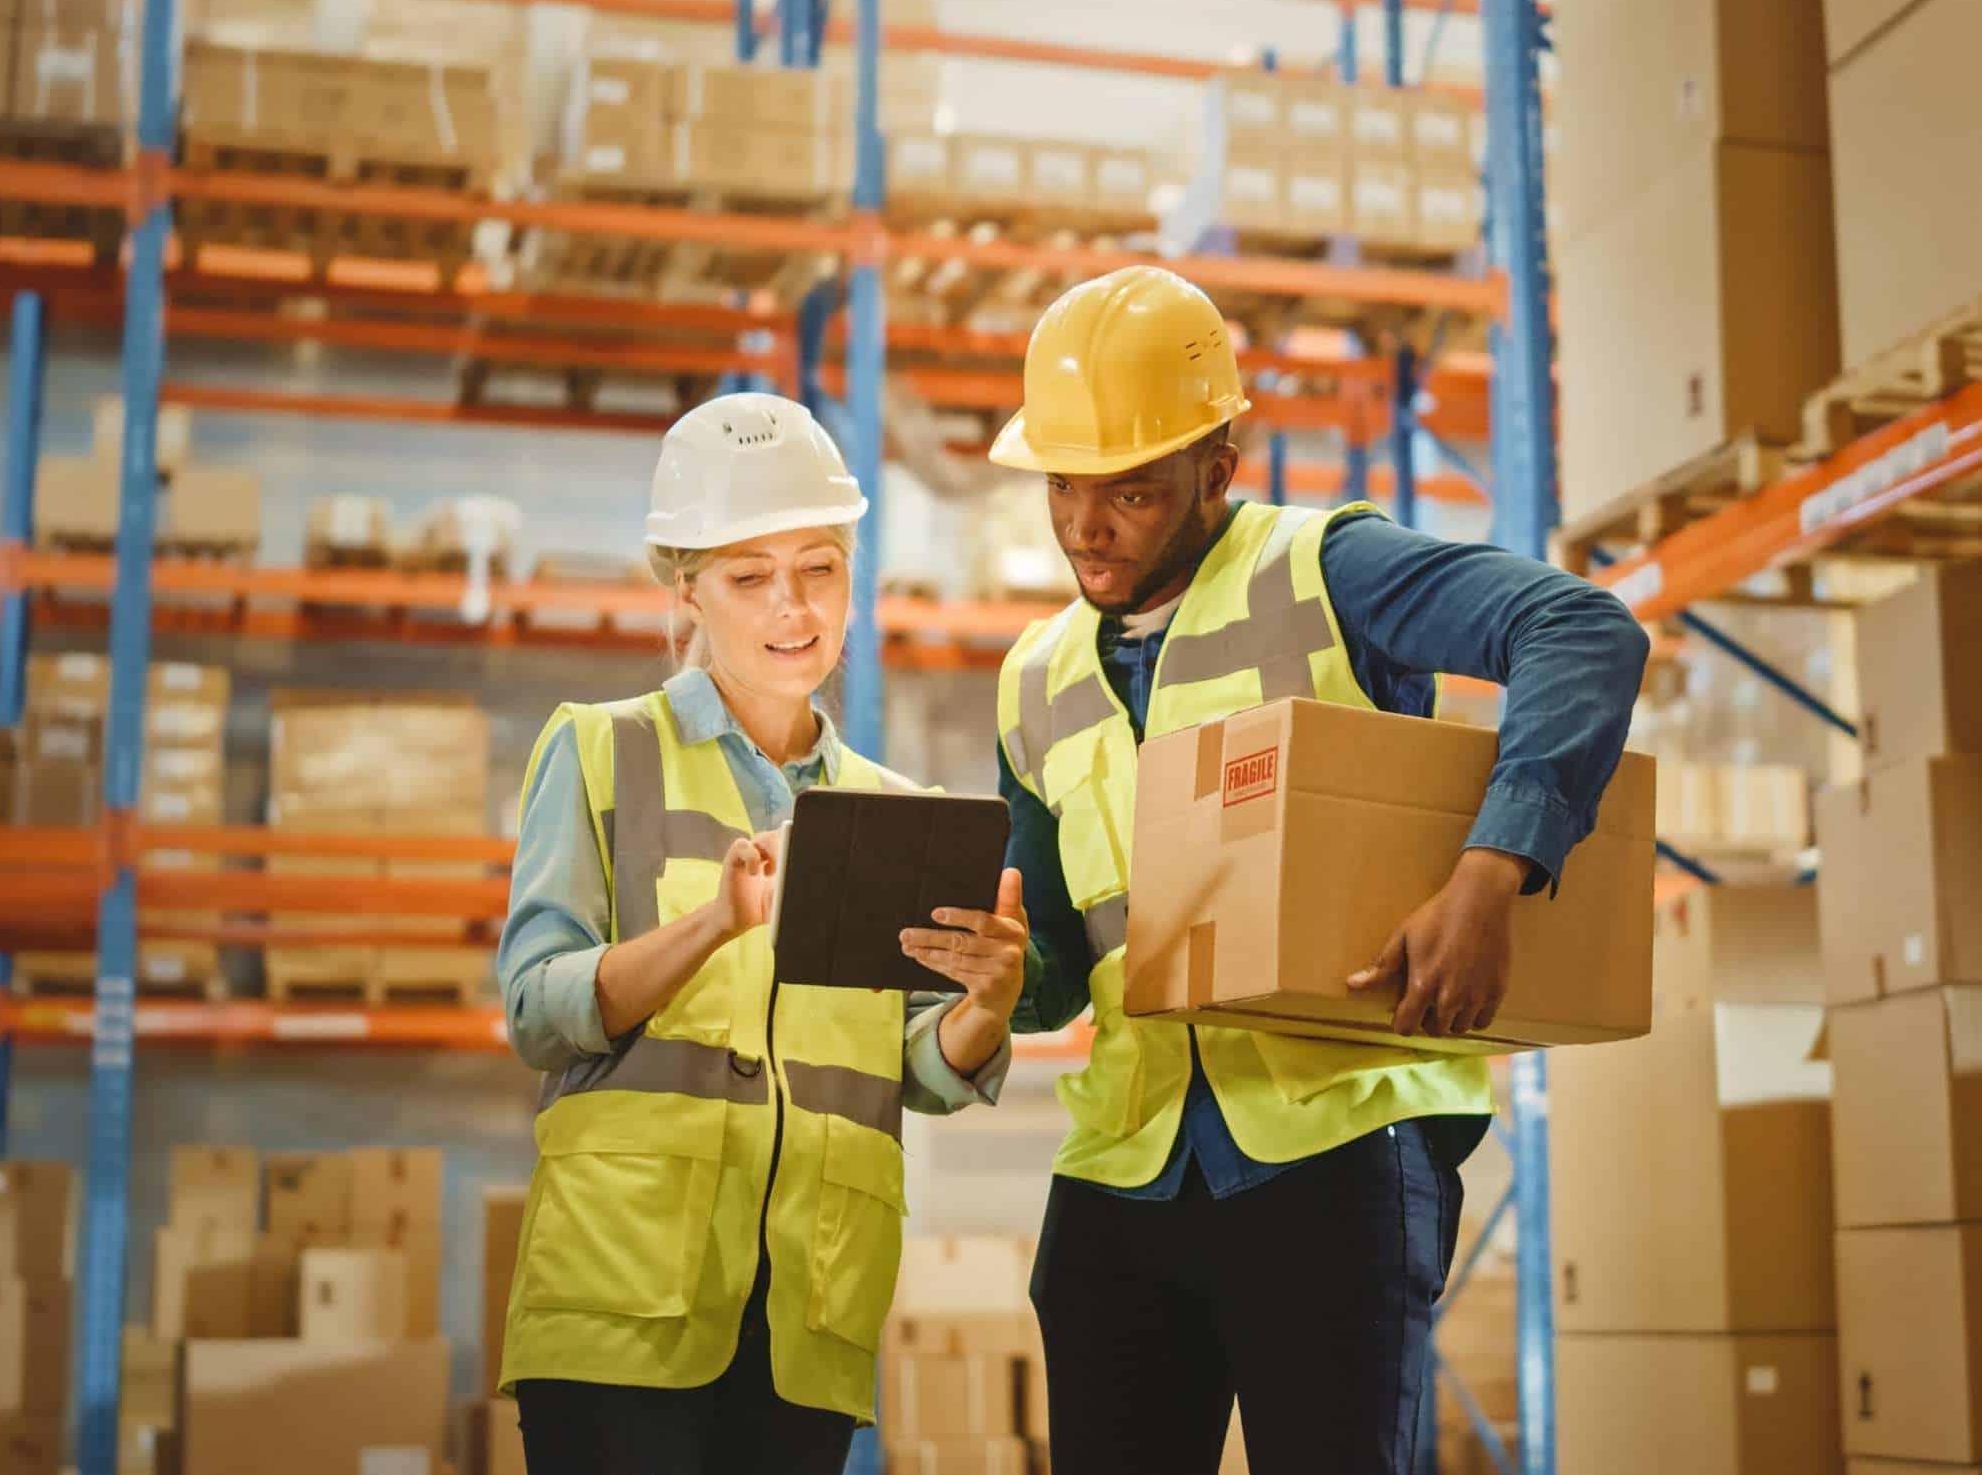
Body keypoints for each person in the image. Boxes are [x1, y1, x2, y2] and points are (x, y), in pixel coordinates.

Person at [987, 266, 1650, 1475]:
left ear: (1216, 469)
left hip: (1335, 1139)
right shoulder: (1032, 677)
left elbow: (1579, 628)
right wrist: (994, 982)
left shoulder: (1323, 570)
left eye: (1128, 490)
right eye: (1063, 485)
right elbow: (1059, 968)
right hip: (1123, 1164)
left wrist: (1491, 872)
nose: (1084, 525)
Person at [495, 393, 1031, 1475]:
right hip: (624, 1302)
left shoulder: (895, 808)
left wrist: (985, 1007)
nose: (794, 606)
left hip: (805, 1314)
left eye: (818, 567)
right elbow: (538, 1009)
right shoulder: (602, 751)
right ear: (685, 589)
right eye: (750, 577)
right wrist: (714, 923)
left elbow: (917, 1070)